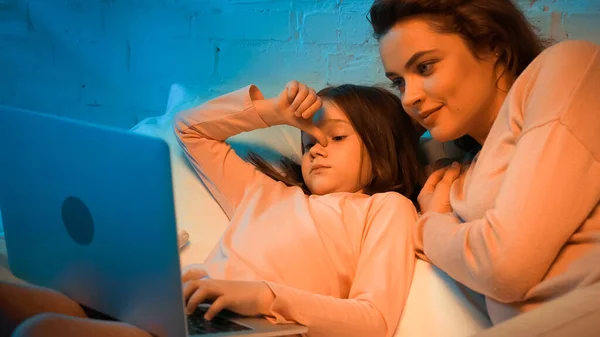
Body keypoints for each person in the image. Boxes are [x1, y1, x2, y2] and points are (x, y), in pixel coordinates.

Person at [0, 81, 425, 337]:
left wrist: (263, 295)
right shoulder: (265, 193)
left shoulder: (386, 209)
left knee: (39, 330)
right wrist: (272, 111)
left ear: (382, 146)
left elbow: (373, 321)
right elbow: (191, 130)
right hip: (181, 311)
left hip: (249, 327)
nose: (316, 151)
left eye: (336, 138)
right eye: (309, 141)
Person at [368, 0, 600, 331]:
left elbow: (507, 268)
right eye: (399, 82)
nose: (408, 98)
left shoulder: (568, 68)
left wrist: (428, 225)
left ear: (494, 48)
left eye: (425, 67)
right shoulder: (457, 173)